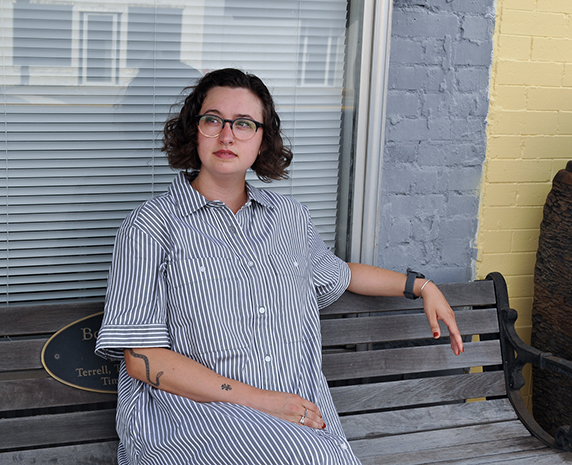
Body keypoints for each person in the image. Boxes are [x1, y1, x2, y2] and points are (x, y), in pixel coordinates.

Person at [95, 68, 464, 465]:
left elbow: (340, 273)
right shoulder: (150, 225)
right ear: (193, 130)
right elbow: (140, 356)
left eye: (244, 124)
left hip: (294, 412)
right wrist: (263, 402)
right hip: (192, 416)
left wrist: (421, 286)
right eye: (212, 120)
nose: (227, 135)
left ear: (262, 140)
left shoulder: (289, 218)